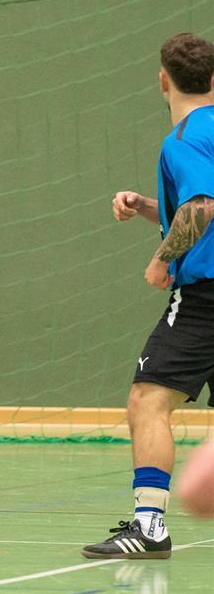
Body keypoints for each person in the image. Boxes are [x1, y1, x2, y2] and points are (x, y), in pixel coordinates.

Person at [82, 32, 214, 559]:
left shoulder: (184, 139)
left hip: (205, 299)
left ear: (163, 81)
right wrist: (148, 208)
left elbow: (202, 207)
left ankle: (149, 525)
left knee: (148, 400)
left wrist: (162, 258)